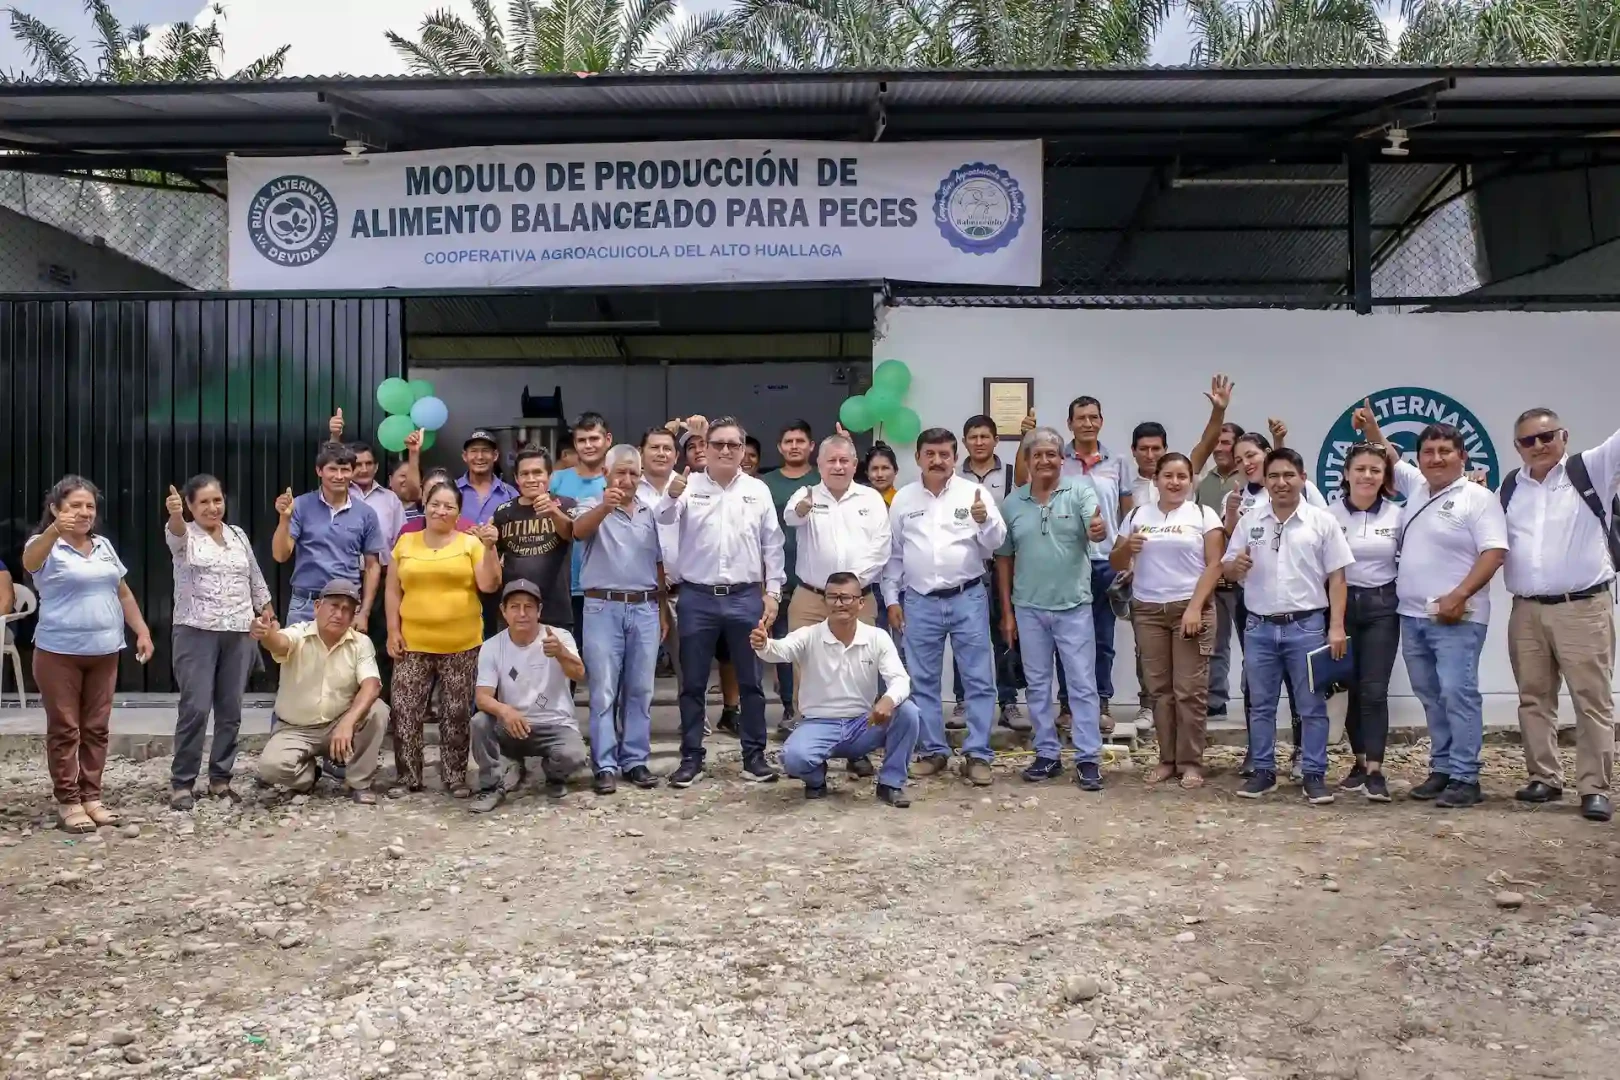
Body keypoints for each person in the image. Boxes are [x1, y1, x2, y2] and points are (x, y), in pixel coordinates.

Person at [1358, 415, 1510, 809]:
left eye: (1445, 451)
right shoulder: (1418, 488)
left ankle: (1465, 776)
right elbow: (1389, 456)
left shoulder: (1479, 498)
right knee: (1431, 695)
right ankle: (1442, 768)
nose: (1436, 458)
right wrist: (1373, 430)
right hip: (1412, 616)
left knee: (1458, 694)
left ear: (1462, 456)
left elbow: (1494, 552)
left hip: (1457, 618)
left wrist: (1459, 595)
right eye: (1428, 451)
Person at [1499, 407, 1619, 822]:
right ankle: (1545, 777)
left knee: (1592, 700)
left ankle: (1594, 787)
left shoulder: (1592, 471)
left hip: (1582, 607)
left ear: (1564, 437)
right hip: (1527, 610)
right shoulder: (1512, 486)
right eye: (1528, 441)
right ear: (1517, 448)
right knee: (1534, 698)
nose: (1539, 446)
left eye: (1547, 437)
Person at [654, 416, 786, 788]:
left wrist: (773, 592)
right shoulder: (687, 485)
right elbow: (661, 517)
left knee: (751, 682)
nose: (725, 450)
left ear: (743, 451)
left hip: (745, 596)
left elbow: (772, 545)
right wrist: (672, 493)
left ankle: (754, 756)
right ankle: (691, 757)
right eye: (718, 444)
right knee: (693, 682)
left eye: (733, 445)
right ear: (704, 449)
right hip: (697, 597)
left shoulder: (757, 490)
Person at [22, 477, 154, 833]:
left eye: (89, 507)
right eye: (74, 506)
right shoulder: (45, 545)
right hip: (58, 653)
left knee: (96, 728)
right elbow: (30, 561)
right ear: (55, 509)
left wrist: (141, 630)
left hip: (105, 650)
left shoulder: (104, 546)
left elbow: (122, 592)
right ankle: (68, 801)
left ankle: (91, 796)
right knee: (66, 729)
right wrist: (53, 531)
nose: (83, 513)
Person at [1222, 448, 1352, 804]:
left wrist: (1336, 627)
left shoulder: (1321, 521)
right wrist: (1236, 568)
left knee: (1311, 706)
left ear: (1302, 478)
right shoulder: (1251, 520)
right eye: (1274, 476)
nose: (1281, 483)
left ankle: (1314, 774)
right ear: (1265, 480)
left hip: (1306, 627)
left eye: (1288, 476)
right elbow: (1227, 566)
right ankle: (1263, 771)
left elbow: (1338, 578)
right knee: (1260, 704)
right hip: (1259, 627)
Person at [884, 427, 1008, 786]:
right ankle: (933, 751)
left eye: (945, 454)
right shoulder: (904, 500)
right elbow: (893, 556)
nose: (937, 461)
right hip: (919, 601)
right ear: (918, 457)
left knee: (979, 680)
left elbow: (996, 543)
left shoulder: (974, 493)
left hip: (967, 596)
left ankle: (978, 754)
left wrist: (984, 521)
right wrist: (892, 599)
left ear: (955, 458)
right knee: (921, 680)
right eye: (930, 454)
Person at [995, 427, 1105, 789]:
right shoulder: (1012, 504)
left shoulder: (1080, 491)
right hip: (1028, 608)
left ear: (1062, 459)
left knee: (1081, 684)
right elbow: (1004, 560)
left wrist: (1099, 529)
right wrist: (1008, 612)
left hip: (1073, 605)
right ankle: (1047, 754)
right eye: (1037, 454)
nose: (1044, 460)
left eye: (1051, 454)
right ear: (1027, 461)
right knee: (1038, 685)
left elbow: (1095, 529)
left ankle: (1088, 757)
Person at [754, 572, 918, 806]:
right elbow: (779, 650)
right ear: (825, 601)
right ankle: (815, 778)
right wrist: (763, 645)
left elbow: (900, 679)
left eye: (846, 597)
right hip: (819, 724)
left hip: (864, 723)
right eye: (833, 597)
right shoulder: (809, 635)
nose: (839, 603)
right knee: (793, 758)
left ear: (861, 603)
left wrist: (888, 700)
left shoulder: (877, 637)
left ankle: (890, 784)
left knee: (908, 712)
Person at [1112, 452, 1225, 789]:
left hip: (1191, 609)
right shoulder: (1136, 514)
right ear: (1156, 480)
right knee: (1160, 692)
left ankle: (1191, 762)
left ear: (1191, 481)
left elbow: (1215, 565)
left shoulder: (1203, 515)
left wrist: (1195, 607)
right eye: (1168, 476)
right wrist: (1127, 548)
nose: (1175, 482)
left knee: (1189, 690)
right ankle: (1167, 759)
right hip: (1148, 610)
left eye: (1182, 476)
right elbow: (1117, 561)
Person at [782, 433, 890, 778]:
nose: (839, 466)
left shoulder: (871, 499)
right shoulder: (807, 494)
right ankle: (809, 740)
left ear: (855, 465)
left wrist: (848, 591)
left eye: (845, 460)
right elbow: (791, 517)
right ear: (820, 464)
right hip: (812, 598)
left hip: (859, 599)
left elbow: (882, 547)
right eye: (832, 461)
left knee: (860, 671)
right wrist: (802, 508)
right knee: (807, 671)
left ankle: (857, 746)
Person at [386, 478, 502, 798]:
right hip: (413, 644)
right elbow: (393, 591)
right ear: (424, 506)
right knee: (405, 711)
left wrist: (490, 548)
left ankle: (454, 776)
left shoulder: (470, 543)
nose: (441, 510)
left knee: (457, 713)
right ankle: (408, 776)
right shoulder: (406, 544)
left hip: (462, 644)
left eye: (449, 506)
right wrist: (393, 630)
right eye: (435, 504)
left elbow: (490, 585)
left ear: (458, 512)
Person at [164, 475, 275, 810]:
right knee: (196, 708)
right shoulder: (184, 536)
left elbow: (253, 575)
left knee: (230, 710)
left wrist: (266, 608)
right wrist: (174, 515)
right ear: (190, 506)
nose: (212, 508)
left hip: (239, 632)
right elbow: (177, 531)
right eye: (203, 503)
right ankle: (182, 782)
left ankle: (220, 778)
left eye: (217, 501)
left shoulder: (237, 534)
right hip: (195, 631)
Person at [1019, 396, 1129, 731]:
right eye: (1080, 417)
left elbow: (1128, 515)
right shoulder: (1056, 459)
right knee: (1066, 640)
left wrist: (1127, 558)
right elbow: (1023, 484)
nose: (1087, 423)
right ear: (1070, 424)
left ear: (1101, 421)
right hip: (1066, 561)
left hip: (1106, 561)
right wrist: (1025, 440)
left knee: (1103, 639)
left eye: (1093, 417)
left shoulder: (1118, 462)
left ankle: (1101, 703)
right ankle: (1067, 706)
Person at [1221, 428, 1318, 777]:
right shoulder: (1236, 498)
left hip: (1299, 603)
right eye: (1239, 459)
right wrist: (1232, 517)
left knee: (1299, 680)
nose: (1246, 463)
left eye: (1252, 455)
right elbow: (1230, 553)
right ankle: (1258, 751)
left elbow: (1321, 534)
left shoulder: (1299, 490)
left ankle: (1301, 751)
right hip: (1254, 602)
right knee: (1257, 678)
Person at [573, 445, 666, 795]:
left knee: (641, 689)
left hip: (644, 607)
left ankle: (636, 760)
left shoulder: (651, 510)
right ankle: (605, 764)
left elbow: (659, 562)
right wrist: (605, 506)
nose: (626, 480)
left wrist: (663, 608)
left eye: (633, 473)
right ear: (605, 474)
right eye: (620, 473)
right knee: (604, 690)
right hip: (602, 606)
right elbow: (577, 531)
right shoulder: (592, 503)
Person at [252, 580, 389, 802]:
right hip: (296, 728)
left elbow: (372, 685)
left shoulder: (361, 643)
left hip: (338, 724)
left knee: (378, 710)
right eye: (333, 606)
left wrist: (347, 723)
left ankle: (359, 782)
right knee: (270, 768)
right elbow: (279, 643)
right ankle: (307, 775)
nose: (339, 614)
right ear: (317, 607)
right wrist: (266, 635)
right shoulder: (299, 634)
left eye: (347, 609)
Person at [1326, 439, 1403, 802]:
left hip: (1382, 607)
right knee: (1351, 689)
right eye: (1360, 469)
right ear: (1346, 474)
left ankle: (1375, 769)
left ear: (1385, 475)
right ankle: (1358, 763)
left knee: (1374, 690)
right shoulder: (1329, 515)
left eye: (1375, 469)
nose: (1367, 475)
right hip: (1340, 607)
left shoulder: (1398, 514)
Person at [469, 580, 589, 812]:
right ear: (504, 611)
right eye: (514, 607)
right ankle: (492, 786)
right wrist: (505, 711)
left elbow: (580, 674)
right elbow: (482, 697)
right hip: (512, 725)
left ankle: (553, 775)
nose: (522, 613)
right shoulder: (493, 646)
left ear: (539, 610)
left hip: (555, 725)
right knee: (480, 722)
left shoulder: (559, 637)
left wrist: (561, 653)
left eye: (529, 607)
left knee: (574, 755)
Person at [957, 414, 1024, 730]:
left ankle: (1008, 702)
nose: (979, 442)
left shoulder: (1010, 474)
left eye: (985, 436)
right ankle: (962, 701)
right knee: (964, 637)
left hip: (1001, 566)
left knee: (1004, 632)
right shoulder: (955, 478)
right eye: (973, 437)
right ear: (964, 441)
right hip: (967, 567)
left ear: (996, 440)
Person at [272, 442, 383, 627]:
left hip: (346, 604)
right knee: (300, 656)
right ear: (319, 471)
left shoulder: (366, 513)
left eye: (345, 470)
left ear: (352, 472)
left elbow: (372, 567)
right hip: (305, 604)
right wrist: (285, 519)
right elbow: (280, 555)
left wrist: (364, 612)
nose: (339, 476)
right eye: (332, 469)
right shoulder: (300, 505)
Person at [759, 420, 818, 734]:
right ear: (780, 447)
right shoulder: (764, 484)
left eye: (800, 441)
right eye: (788, 441)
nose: (794, 446)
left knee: (818, 649)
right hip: (778, 578)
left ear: (811, 446)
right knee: (783, 646)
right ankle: (788, 708)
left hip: (817, 580)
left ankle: (820, 709)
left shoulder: (822, 479)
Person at [492, 448, 577, 632]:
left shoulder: (567, 504)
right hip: (514, 612)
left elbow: (571, 534)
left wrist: (553, 512)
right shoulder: (502, 512)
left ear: (550, 476)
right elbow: (494, 560)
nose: (531, 479)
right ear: (516, 478)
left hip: (555, 610)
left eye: (537, 472)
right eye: (525, 474)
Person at [1196, 422, 1245, 718]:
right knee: (1215, 643)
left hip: (1248, 574)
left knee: (1255, 647)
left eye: (1225, 442)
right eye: (1216, 442)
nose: (1218, 448)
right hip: (1215, 574)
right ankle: (1215, 701)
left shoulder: (1249, 476)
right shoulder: (1205, 483)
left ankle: (1254, 699)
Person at [550, 413, 612, 634]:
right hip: (564, 584)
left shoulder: (616, 479)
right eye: (582, 440)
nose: (588, 445)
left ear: (608, 440)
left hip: (604, 587)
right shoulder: (556, 480)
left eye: (594, 439)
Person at [640, 427, 685, 681]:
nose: (661, 453)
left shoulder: (690, 487)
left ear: (676, 456)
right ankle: (635, 722)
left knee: (689, 666)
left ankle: (695, 721)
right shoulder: (629, 488)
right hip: (641, 594)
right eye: (654, 447)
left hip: (682, 591)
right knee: (638, 669)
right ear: (641, 453)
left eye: (667, 448)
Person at [456, 429, 520, 526]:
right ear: (465, 456)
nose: (480, 456)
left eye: (485, 451)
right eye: (474, 451)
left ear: (495, 455)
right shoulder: (452, 490)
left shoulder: (511, 494)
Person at [859, 443, 900, 507]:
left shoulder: (902, 501)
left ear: (896, 470)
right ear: (867, 473)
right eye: (874, 469)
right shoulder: (858, 501)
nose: (879, 474)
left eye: (885, 468)